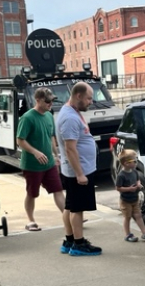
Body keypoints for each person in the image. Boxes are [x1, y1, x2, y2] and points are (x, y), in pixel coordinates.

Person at [55, 82, 102, 256]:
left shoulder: (72, 112)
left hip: (77, 169)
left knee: (70, 206)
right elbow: (70, 148)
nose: (91, 101)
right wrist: (80, 174)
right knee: (77, 209)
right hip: (78, 171)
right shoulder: (69, 118)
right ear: (78, 96)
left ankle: (69, 240)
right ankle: (79, 244)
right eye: (89, 98)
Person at [16, 88, 65, 231]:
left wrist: (56, 156)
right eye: (47, 101)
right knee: (32, 193)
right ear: (38, 100)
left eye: (52, 101)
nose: (50, 104)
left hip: (49, 163)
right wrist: (35, 152)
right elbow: (20, 140)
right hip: (32, 165)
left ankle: (68, 216)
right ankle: (30, 221)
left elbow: (51, 137)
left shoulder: (49, 116)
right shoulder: (27, 117)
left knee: (58, 190)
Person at [115, 149, 145, 242]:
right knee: (127, 217)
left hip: (135, 199)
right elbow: (118, 188)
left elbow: (138, 179)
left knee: (138, 215)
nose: (136, 162)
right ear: (126, 163)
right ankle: (127, 234)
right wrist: (129, 189)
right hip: (125, 201)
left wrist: (138, 184)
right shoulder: (121, 175)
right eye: (134, 161)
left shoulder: (134, 171)